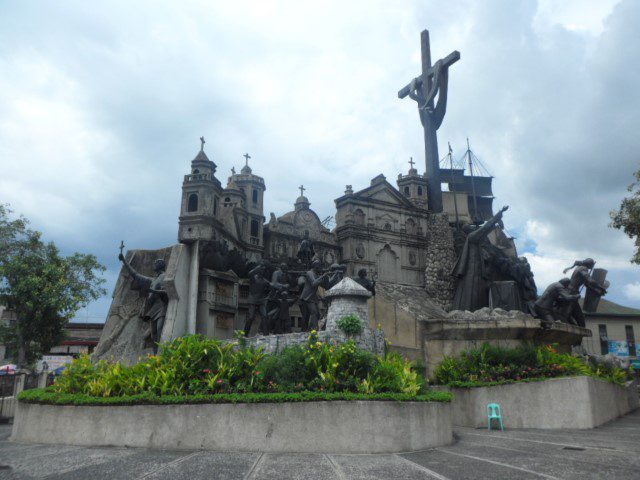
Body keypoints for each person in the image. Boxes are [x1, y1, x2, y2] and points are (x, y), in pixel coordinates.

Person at [451, 206, 509, 311]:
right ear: (468, 230)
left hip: (477, 271)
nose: (474, 227)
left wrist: (495, 224)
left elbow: (484, 230)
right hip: (472, 273)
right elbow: (484, 229)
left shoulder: (476, 240)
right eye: (471, 226)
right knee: (472, 295)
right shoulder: (472, 237)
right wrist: (498, 215)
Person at [118, 252, 168, 353]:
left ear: (161, 265)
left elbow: (166, 291)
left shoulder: (164, 276)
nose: (154, 263)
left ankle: (162, 354)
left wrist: (153, 291)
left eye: (157, 262)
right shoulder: (153, 280)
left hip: (162, 307)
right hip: (153, 310)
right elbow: (136, 275)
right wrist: (124, 261)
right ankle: (156, 356)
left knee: (160, 331)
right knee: (153, 334)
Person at [559, 258, 608, 327]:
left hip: (573, 293)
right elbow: (590, 280)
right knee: (568, 314)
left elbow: (587, 284)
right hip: (571, 293)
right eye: (592, 265)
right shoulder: (583, 269)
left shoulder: (580, 268)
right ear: (590, 264)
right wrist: (600, 287)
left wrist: (597, 290)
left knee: (579, 317)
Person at [300, 259, 328, 331]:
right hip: (306, 298)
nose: (321, 268)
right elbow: (313, 283)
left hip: (312, 298)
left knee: (317, 314)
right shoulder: (310, 273)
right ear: (316, 266)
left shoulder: (317, 275)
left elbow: (325, 285)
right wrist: (322, 276)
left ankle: (312, 330)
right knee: (311, 314)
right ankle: (313, 330)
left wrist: (327, 277)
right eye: (320, 266)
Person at [244, 264, 271, 336]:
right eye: (261, 269)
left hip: (261, 301)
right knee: (251, 317)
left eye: (264, 270)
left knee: (265, 316)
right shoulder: (254, 278)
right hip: (253, 299)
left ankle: (266, 334)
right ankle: (245, 334)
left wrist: (267, 297)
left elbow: (271, 287)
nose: (263, 271)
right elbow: (249, 273)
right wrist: (257, 268)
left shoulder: (265, 281)